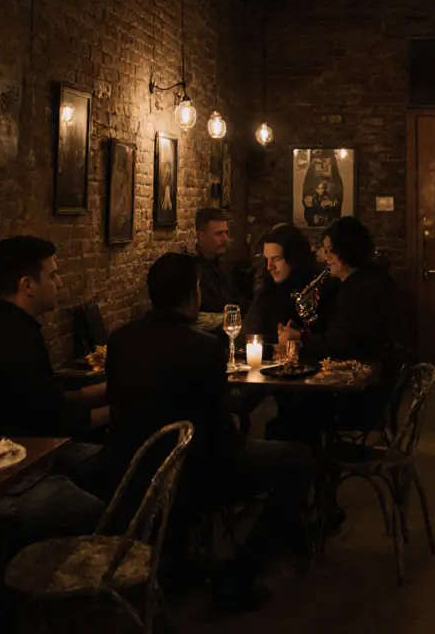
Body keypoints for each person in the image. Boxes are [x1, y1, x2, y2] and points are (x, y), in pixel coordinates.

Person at [105, 253, 316, 613]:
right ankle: (241, 573)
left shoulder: (120, 340)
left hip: (133, 469)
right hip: (198, 471)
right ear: (192, 296)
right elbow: (220, 429)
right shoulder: (203, 347)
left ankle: (182, 562)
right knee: (298, 460)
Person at [0, 236, 107, 533]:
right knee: (104, 509)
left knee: (107, 466)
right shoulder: (15, 340)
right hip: (3, 478)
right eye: (53, 274)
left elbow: (40, 395)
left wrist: (94, 392)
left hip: (19, 456)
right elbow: (52, 421)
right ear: (27, 286)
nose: (59, 283)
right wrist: (118, 408)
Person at [280, 217, 395, 364]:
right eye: (326, 250)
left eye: (331, 251)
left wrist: (299, 337)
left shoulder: (363, 289)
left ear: (347, 250)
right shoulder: (351, 283)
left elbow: (339, 344)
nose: (326, 257)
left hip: (365, 372)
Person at [244, 223, 328, 345]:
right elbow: (249, 332)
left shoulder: (319, 288)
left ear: (294, 258)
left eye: (277, 259)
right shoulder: (267, 291)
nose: (269, 267)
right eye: (267, 259)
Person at [192, 208, 243, 332]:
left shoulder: (225, 264)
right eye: (219, 234)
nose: (225, 239)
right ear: (200, 236)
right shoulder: (191, 270)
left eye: (226, 232)